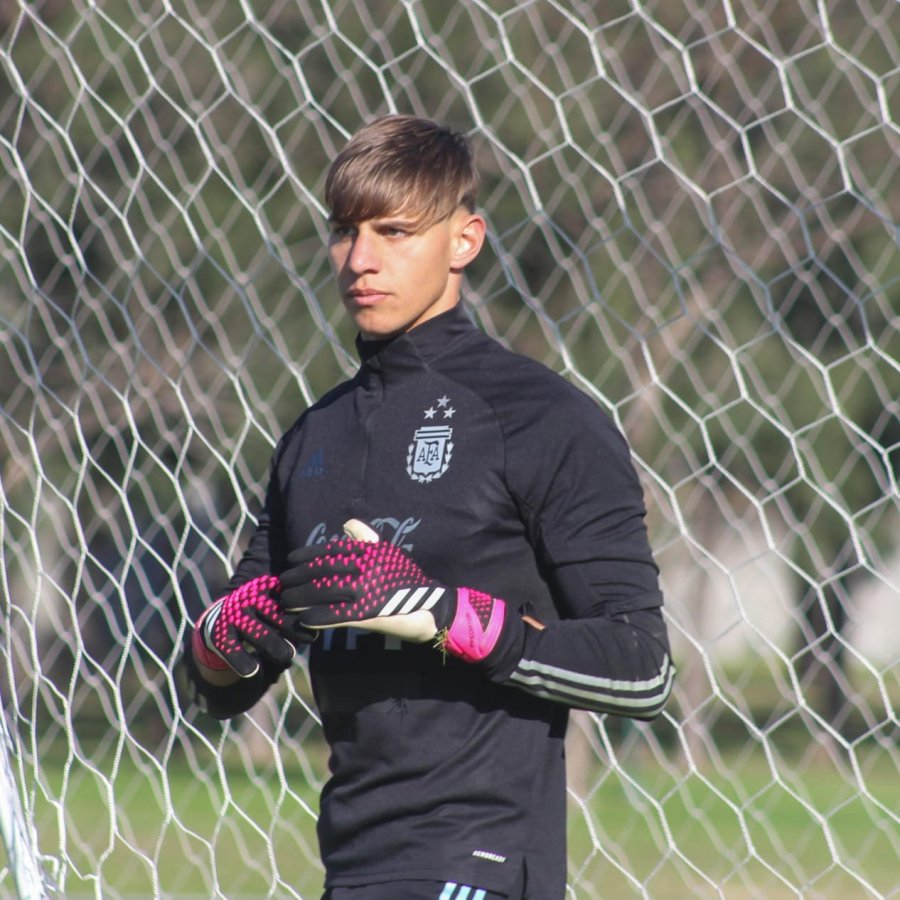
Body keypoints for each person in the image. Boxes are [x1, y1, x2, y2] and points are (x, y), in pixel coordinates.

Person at [183, 114, 674, 900]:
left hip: (480, 867)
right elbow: (222, 685)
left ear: (465, 240)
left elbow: (643, 668)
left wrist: (440, 613)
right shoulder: (313, 436)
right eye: (345, 231)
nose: (362, 259)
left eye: (396, 230)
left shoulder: (545, 421)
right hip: (351, 869)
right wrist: (221, 635)